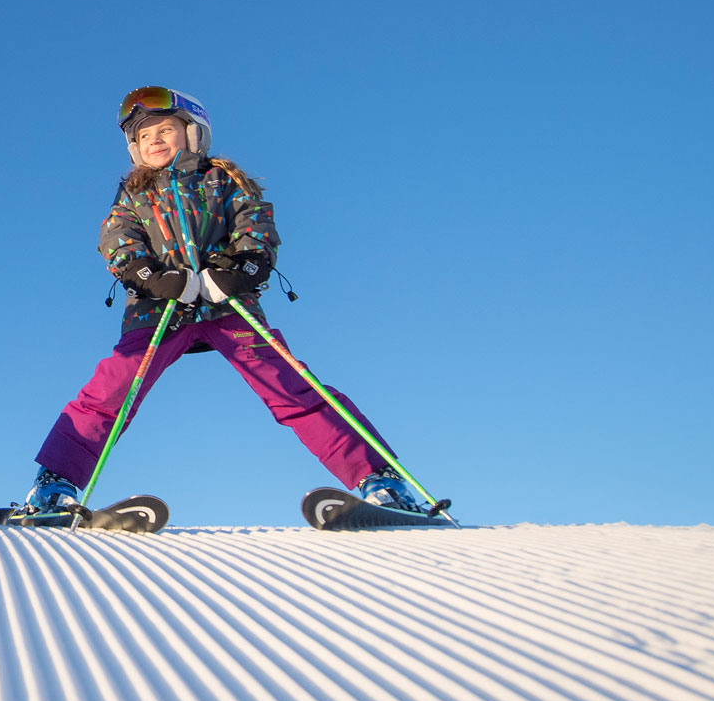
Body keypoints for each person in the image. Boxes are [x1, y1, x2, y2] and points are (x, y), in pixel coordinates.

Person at [29, 85, 432, 514]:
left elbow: (256, 229)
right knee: (112, 389)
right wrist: (153, 277)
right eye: (144, 137)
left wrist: (237, 270)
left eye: (166, 129)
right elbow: (117, 242)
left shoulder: (222, 181)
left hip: (228, 307)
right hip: (158, 308)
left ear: (194, 133)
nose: (155, 141)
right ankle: (56, 486)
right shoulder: (132, 194)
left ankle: (381, 480)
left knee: (292, 385)